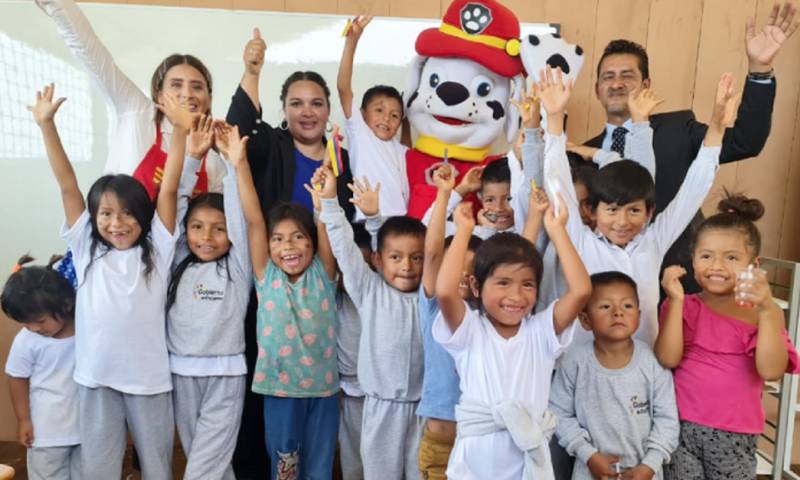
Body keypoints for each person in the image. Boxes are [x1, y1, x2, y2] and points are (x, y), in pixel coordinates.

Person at [32, 81, 190, 478]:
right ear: (94, 218)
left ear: (143, 215)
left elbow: (168, 189)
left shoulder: (157, 248)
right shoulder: (87, 250)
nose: (116, 223)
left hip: (149, 379)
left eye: (126, 214)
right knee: (98, 468)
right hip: (97, 378)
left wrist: (181, 131)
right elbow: (67, 184)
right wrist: (47, 126)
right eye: (105, 214)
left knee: (156, 466)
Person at [584, 3, 798, 292]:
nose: (617, 84)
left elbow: (746, 141)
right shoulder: (581, 155)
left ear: (646, 84)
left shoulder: (678, 129)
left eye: (628, 76)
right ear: (598, 88)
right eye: (608, 77)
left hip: (683, 286)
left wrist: (759, 71)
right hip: (607, 298)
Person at [225, 29, 355, 476]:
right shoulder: (270, 145)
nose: (307, 111)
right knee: (274, 440)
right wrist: (252, 71)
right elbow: (237, 134)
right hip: (272, 295)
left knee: (317, 448)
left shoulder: (341, 158)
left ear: (327, 110)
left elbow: (341, 227)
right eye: (297, 102)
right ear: (283, 109)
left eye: (316, 102)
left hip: (319, 294)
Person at [541, 66, 736, 345]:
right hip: (580, 373)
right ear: (592, 211)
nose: (622, 222)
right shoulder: (580, 241)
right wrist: (555, 118)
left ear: (649, 212)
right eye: (611, 210)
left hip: (642, 370)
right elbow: (557, 180)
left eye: (633, 210)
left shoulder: (653, 240)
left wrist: (717, 128)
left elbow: (693, 190)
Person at [433, 195, 590, 479]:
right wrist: (463, 232)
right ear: (476, 286)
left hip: (528, 465)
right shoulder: (470, 330)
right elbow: (444, 291)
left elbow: (580, 291)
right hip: (475, 466)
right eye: (503, 283)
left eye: (527, 285)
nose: (516, 296)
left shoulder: (541, 332)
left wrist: (557, 232)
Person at [656, 193, 800, 479]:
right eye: (706, 256)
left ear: (753, 265)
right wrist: (676, 303)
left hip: (735, 435)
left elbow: (771, 370)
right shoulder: (683, 305)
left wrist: (770, 310)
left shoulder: (761, 315)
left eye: (731, 257)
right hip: (680, 426)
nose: (717, 266)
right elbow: (668, 358)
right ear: (693, 262)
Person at [230, 124, 340, 479]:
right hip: (279, 390)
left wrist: (324, 202)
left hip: (322, 392)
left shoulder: (323, 273)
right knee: (285, 468)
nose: (288, 246)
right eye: (278, 239)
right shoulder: (267, 276)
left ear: (310, 241)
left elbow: (326, 225)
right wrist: (239, 164)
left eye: (297, 237)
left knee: (320, 469)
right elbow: (253, 219)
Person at [35, 0, 224, 196]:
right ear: (159, 95)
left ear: (209, 99)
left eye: (197, 87)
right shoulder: (138, 112)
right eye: (176, 85)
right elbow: (92, 54)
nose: (187, 94)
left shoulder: (213, 162)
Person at [317, 165, 426, 479]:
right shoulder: (369, 290)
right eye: (396, 258)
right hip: (380, 408)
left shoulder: (429, 296)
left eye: (417, 258)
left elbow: (420, 249)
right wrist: (329, 203)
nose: (406, 266)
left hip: (421, 410)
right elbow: (345, 251)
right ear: (378, 261)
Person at [163, 122, 253, 480]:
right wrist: (193, 159)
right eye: (198, 227)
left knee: (204, 467)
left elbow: (241, 219)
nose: (207, 236)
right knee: (211, 462)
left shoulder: (238, 267)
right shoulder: (175, 260)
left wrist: (232, 164)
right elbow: (177, 205)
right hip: (181, 373)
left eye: (219, 228)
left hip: (225, 375)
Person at [549, 271, 679, 480]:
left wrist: (650, 465)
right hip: (590, 471)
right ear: (585, 319)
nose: (618, 312)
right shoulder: (574, 362)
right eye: (605, 306)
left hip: (645, 474)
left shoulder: (653, 362)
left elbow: (668, 421)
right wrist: (588, 455)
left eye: (627, 306)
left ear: (639, 315)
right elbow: (559, 414)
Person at [416, 165, 483, 480]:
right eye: (456, 268)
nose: (462, 278)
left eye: (471, 273)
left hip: (479, 445)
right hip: (440, 444)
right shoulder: (435, 308)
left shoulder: (486, 317)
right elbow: (431, 253)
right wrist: (446, 195)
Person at [2, 255, 80, 480]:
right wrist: (23, 419)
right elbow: (17, 378)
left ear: (66, 304)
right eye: (26, 323)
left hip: (87, 431)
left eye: (40, 321)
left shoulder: (86, 329)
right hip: (46, 434)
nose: (34, 328)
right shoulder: (27, 340)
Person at [338, 15, 409, 219]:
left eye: (394, 115)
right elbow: (344, 88)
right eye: (379, 110)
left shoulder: (401, 150)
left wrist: (407, 122)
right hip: (367, 220)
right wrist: (352, 42)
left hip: (400, 221)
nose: (386, 118)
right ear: (362, 114)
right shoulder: (361, 133)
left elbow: (407, 153)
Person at [336, 222, 372, 480]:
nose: (353, 277)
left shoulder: (379, 296)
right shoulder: (331, 298)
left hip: (381, 396)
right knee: (353, 463)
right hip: (347, 395)